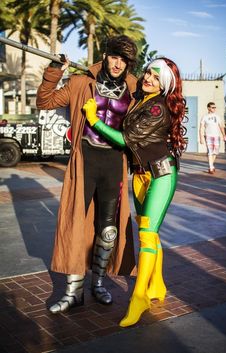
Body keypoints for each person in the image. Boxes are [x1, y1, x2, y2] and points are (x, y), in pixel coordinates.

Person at [36, 35, 138, 314]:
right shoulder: (81, 83)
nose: (119, 64)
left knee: (108, 229)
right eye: (115, 57)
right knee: (76, 225)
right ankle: (73, 292)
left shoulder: (133, 87)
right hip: (86, 160)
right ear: (105, 56)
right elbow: (44, 101)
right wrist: (55, 70)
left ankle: (99, 284)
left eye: (125, 60)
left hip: (114, 163)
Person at [83, 57, 187, 327]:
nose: (147, 78)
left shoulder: (159, 108)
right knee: (151, 232)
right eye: (147, 73)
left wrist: (94, 120)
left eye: (154, 76)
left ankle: (139, 297)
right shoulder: (141, 98)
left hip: (161, 175)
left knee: (146, 235)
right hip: (141, 175)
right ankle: (157, 286)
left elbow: (125, 140)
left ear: (164, 82)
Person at [199, 102, 226, 174]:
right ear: (208, 108)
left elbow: (221, 126)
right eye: (212, 107)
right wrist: (201, 137)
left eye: (215, 107)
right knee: (210, 152)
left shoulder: (217, 117)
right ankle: (211, 167)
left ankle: (211, 165)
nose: (214, 109)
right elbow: (201, 128)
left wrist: (224, 135)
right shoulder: (205, 117)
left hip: (217, 136)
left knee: (215, 152)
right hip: (208, 136)